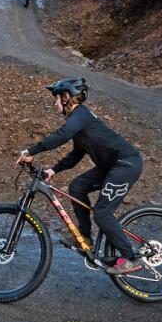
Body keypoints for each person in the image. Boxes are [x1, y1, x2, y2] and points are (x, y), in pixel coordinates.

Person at [18, 77, 144, 276]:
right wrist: (54, 170)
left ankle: (130, 258)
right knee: (77, 187)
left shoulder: (80, 114)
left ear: (67, 97)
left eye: (57, 98)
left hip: (126, 164)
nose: (55, 103)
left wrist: (32, 150)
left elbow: (62, 135)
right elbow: (76, 154)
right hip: (111, 166)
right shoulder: (78, 122)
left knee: (102, 213)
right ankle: (85, 237)